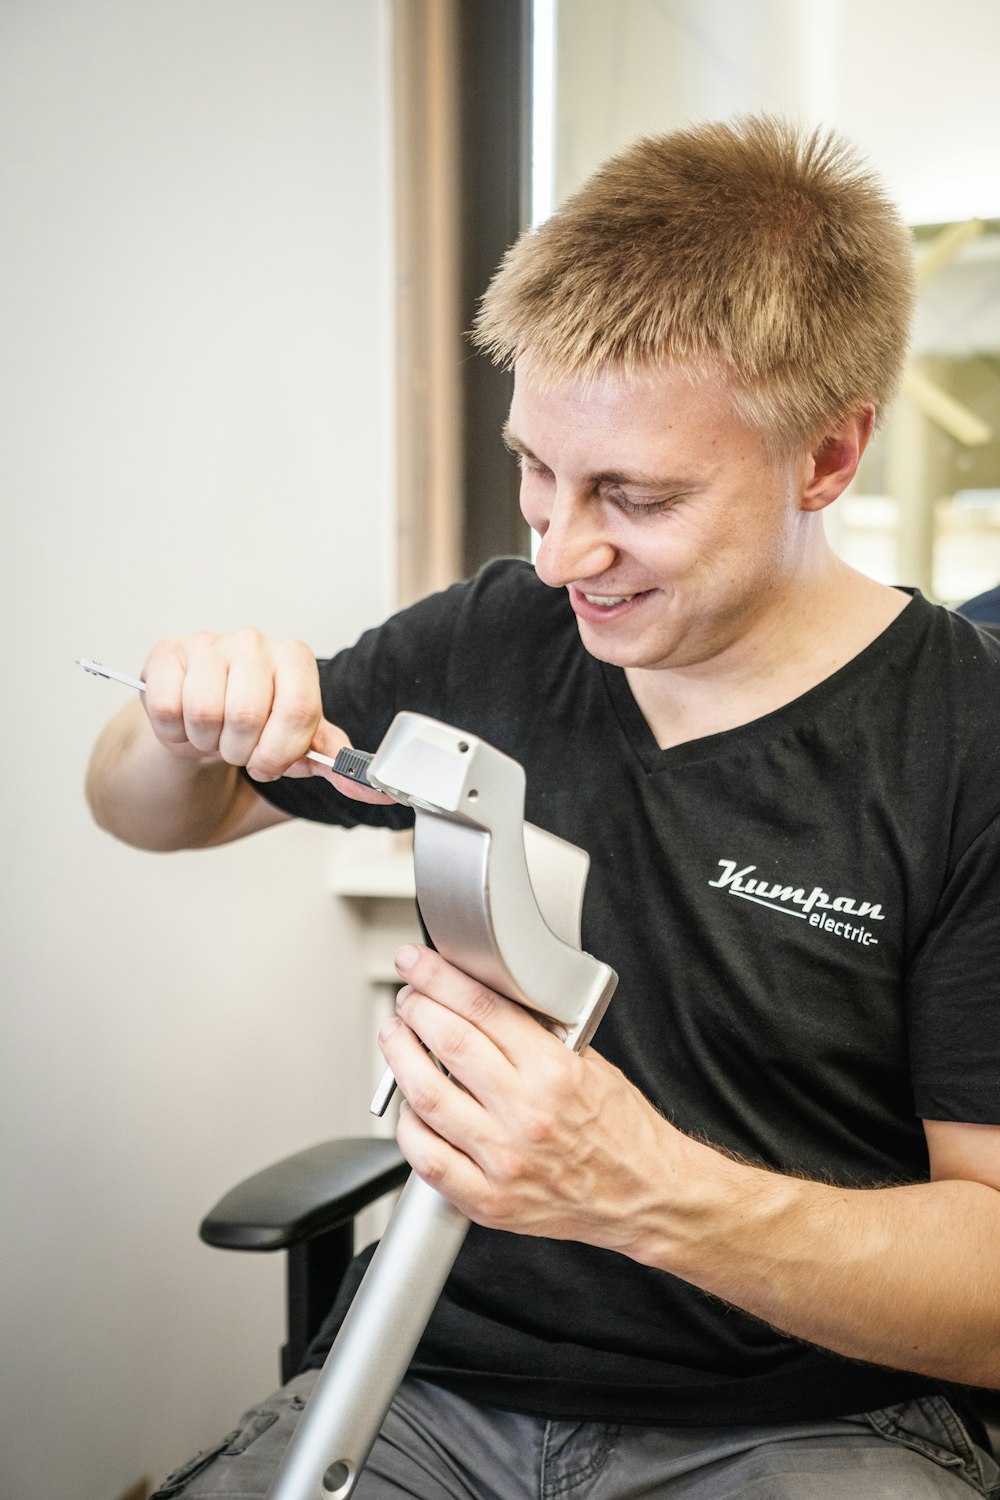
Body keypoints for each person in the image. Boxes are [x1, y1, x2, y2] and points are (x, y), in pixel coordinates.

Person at [86, 116, 1000, 1499]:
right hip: (433, 1391)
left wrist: (636, 1186)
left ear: (825, 459)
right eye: (536, 470)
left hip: (815, 1424)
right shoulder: (493, 644)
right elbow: (155, 811)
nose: (561, 549)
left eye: (634, 496)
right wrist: (182, 723)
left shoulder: (966, 741)